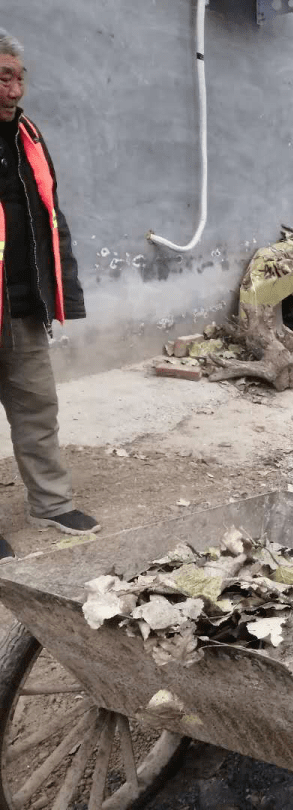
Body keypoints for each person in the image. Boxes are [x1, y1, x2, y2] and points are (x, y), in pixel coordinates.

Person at [0, 29, 98, 546]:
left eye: (19, 78)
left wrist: (65, 291)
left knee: (38, 408)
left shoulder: (28, 137)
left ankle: (51, 505)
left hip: (21, 305)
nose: (15, 91)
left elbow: (50, 217)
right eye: (3, 78)